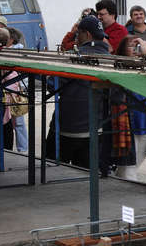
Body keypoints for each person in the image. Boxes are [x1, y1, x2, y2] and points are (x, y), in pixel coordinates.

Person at [47, 16, 112, 173]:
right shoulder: (111, 60)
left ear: (87, 35)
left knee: (51, 173)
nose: (77, 38)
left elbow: (51, 85)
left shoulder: (70, 58)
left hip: (66, 128)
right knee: (86, 178)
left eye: (78, 34)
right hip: (95, 130)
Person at [110, 35, 146, 180]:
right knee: (129, 169)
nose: (135, 49)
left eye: (138, 46)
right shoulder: (119, 70)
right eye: (131, 46)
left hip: (143, 125)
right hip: (128, 126)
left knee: (127, 168)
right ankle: (127, 200)